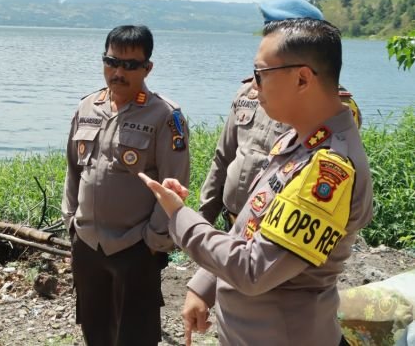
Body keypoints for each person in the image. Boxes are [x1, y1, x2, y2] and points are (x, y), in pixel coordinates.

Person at [141, 18, 373, 346]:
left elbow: (254, 270)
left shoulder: (328, 168)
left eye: (260, 74)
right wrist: (204, 284)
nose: (252, 86)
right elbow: (249, 227)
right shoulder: (299, 139)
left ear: (303, 78)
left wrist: (179, 216)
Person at [62, 25, 191, 346]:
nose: (118, 72)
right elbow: (73, 171)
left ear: (148, 68)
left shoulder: (164, 115)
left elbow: (173, 184)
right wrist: (71, 224)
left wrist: (153, 240)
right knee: (94, 329)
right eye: (111, 61)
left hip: (136, 247)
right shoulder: (87, 108)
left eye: (130, 65)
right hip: (88, 245)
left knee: (136, 334)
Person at [198, 0, 362, 228]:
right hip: (233, 222)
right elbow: (223, 158)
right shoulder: (248, 92)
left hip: (277, 233)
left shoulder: (328, 107)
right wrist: (204, 219)